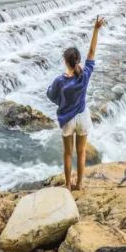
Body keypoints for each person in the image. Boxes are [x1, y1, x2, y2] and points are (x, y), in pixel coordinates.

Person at [46, 15, 105, 191]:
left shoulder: (59, 81)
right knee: (81, 153)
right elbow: (92, 52)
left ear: (65, 61)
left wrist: (59, 98)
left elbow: (51, 95)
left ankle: (68, 185)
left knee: (67, 153)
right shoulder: (84, 75)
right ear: (78, 60)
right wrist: (95, 30)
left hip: (67, 120)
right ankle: (80, 183)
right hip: (83, 116)